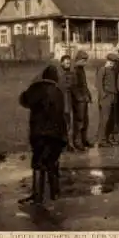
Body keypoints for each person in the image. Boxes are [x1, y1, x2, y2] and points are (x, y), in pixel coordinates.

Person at [18, 65, 68, 204]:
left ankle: (38, 195)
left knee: (38, 163)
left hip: (39, 133)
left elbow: (23, 100)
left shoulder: (36, 89)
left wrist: (32, 85)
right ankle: (54, 193)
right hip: (56, 133)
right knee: (52, 162)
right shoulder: (58, 91)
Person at [95, 53, 119, 147]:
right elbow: (98, 84)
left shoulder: (112, 71)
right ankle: (102, 140)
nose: (112, 64)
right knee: (104, 119)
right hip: (106, 97)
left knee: (111, 119)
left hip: (113, 96)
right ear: (108, 61)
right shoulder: (103, 70)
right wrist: (103, 95)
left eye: (113, 63)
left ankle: (107, 138)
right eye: (111, 62)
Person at [71, 50, 93, 150]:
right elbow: (74, 87)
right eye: (84, 60)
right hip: (79, 101)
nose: (85, 62)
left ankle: (84, 140)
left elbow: (84, 85)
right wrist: (80, 99)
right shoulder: (75, 70)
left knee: (85, 121)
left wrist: (88, 96)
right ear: (78, 60)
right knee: (79, 121)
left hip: (84, 99)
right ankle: (77, 142)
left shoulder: (81, 69)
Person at [57, 54, 77, 151]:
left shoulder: (70, 74)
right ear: (62, 63)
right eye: (66, 63)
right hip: (61, 102)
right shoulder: (60, 74)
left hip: (67, 102)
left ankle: (67, 144)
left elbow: (73, 85)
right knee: (63, 124)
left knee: (68, 124)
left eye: (69, 63)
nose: (68, 65)